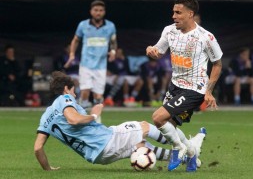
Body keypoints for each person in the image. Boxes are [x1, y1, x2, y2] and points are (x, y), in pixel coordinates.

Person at [34, 71, 206, 171]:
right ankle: (187, 147)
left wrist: (48, 169)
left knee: (142, 147)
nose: (74, 94)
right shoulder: (64, 99)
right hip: (106, 140)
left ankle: (189, 159)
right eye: (73, 91)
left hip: (97, 157)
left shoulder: (45, 117)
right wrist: (93, 115)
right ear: (65, 89)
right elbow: (73, 119)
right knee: (145, 126)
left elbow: (38, 148)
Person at [146, 0, 222, 172]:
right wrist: (151, 51)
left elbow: (217, 63)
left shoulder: (205, 37)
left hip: (194, 89)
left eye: (178, 12)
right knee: (169, 125)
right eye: (173, 12)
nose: (174, 16)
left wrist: (209, 92)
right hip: (175, 86)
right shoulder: (169, 31)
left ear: (190, 14)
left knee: (158, 118)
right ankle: (191, 151)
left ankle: (178, 148)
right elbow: (158, 52)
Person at [67, 0, 117, 120]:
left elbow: (114, 41)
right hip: (86, 65)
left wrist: (113, 51)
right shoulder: (83, 25)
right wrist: (72, 54)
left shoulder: (110, 26)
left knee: (98, 96)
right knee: (85, 92)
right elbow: (75, 40)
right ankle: (83, 117)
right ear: (91, 12)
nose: (98, 13)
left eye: (100, 10)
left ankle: (97, 120)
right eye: (96, 10)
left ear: (104, 12)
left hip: (101, 66)